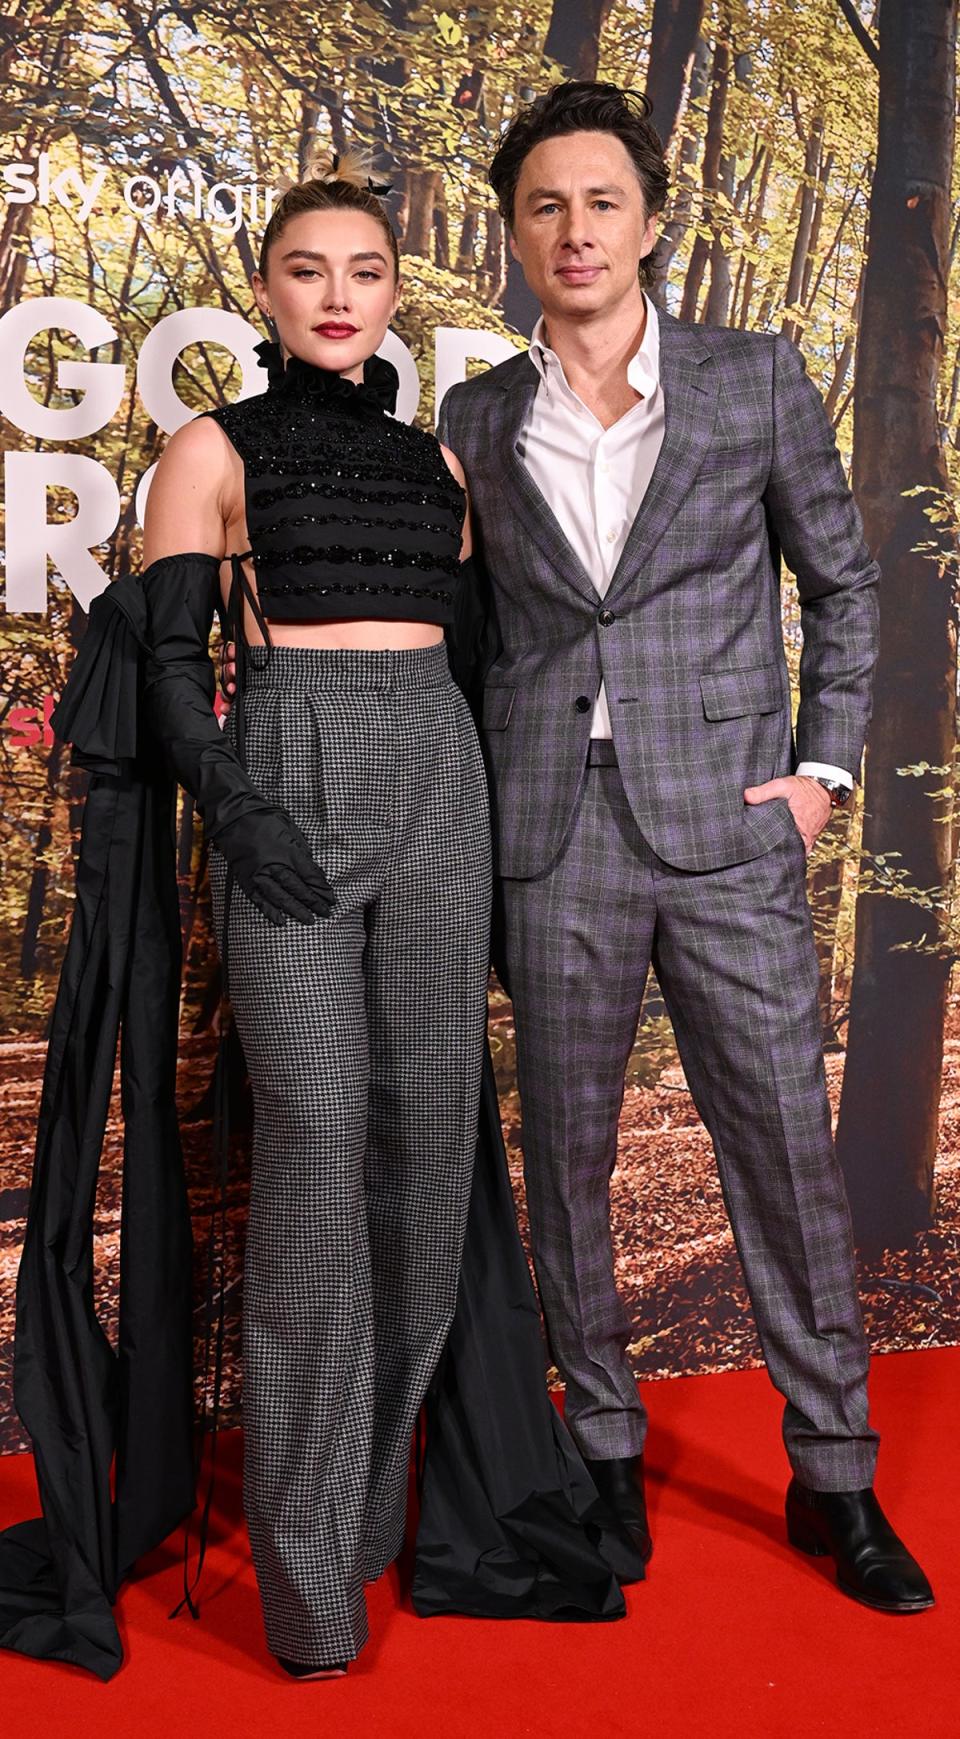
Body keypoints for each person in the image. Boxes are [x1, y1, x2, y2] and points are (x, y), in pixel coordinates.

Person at [0, 150, 638, 1685]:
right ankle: (305, 1581)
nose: (337, 297)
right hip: (284, 765)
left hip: (439, 775)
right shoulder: (206, 449)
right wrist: (238, 806)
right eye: (307, 272)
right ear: (268, 291)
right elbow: (158, 669)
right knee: (306, 1161)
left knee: (427, 1155)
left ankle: (362, 1516)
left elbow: (494, 657)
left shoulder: (444, 464)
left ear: (394, 292)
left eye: (363, 272)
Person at [432, 81, 934, 1615]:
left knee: (782, 1151)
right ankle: (602, 1454)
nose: (573, 231)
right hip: (548, 837)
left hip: (727, 828)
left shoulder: (751, 378)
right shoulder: (474, 417)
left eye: (601, 202)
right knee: (568, 1164)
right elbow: (473, 637)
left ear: (651, 220)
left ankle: (834, 1476)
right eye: (544, 207)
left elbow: (846, 587)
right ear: (515, 237)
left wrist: (821, 776)